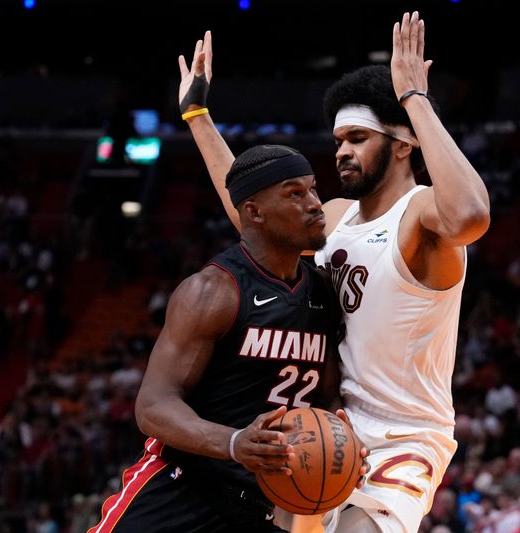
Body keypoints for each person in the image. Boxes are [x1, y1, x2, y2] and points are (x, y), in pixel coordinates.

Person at [179, 11, 490, 532]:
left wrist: (415, 100)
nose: (341, 151)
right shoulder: (341, 216)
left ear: (402, 143)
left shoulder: (421, 216)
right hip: (328, 427)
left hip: (403, 435)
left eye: (356, 138)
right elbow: (252, 213)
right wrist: (198, 117)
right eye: (339, 139)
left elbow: (472, 215)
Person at [88, 145, 344, 532]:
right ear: (253, 212)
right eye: (295, 193)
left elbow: (323, 400)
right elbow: (153, 407)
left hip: (258, 507)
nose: (315, 204)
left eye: (313, 190)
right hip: (179, 494)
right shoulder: (212, 291)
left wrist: (343, 451)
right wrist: (234, 441)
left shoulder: (324, 292)